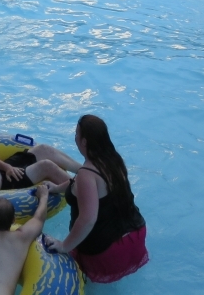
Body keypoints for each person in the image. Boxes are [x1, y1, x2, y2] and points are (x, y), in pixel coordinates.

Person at [42, 116, 148, 284]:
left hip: (108, 250)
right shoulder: (114, 160)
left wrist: (64, 246)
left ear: (84, 141)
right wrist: (56, 188)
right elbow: (79, 184)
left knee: (80, 282)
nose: (74, 137)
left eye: (76, 133)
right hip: (136, 235)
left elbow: (87, 220)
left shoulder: (87, 174)